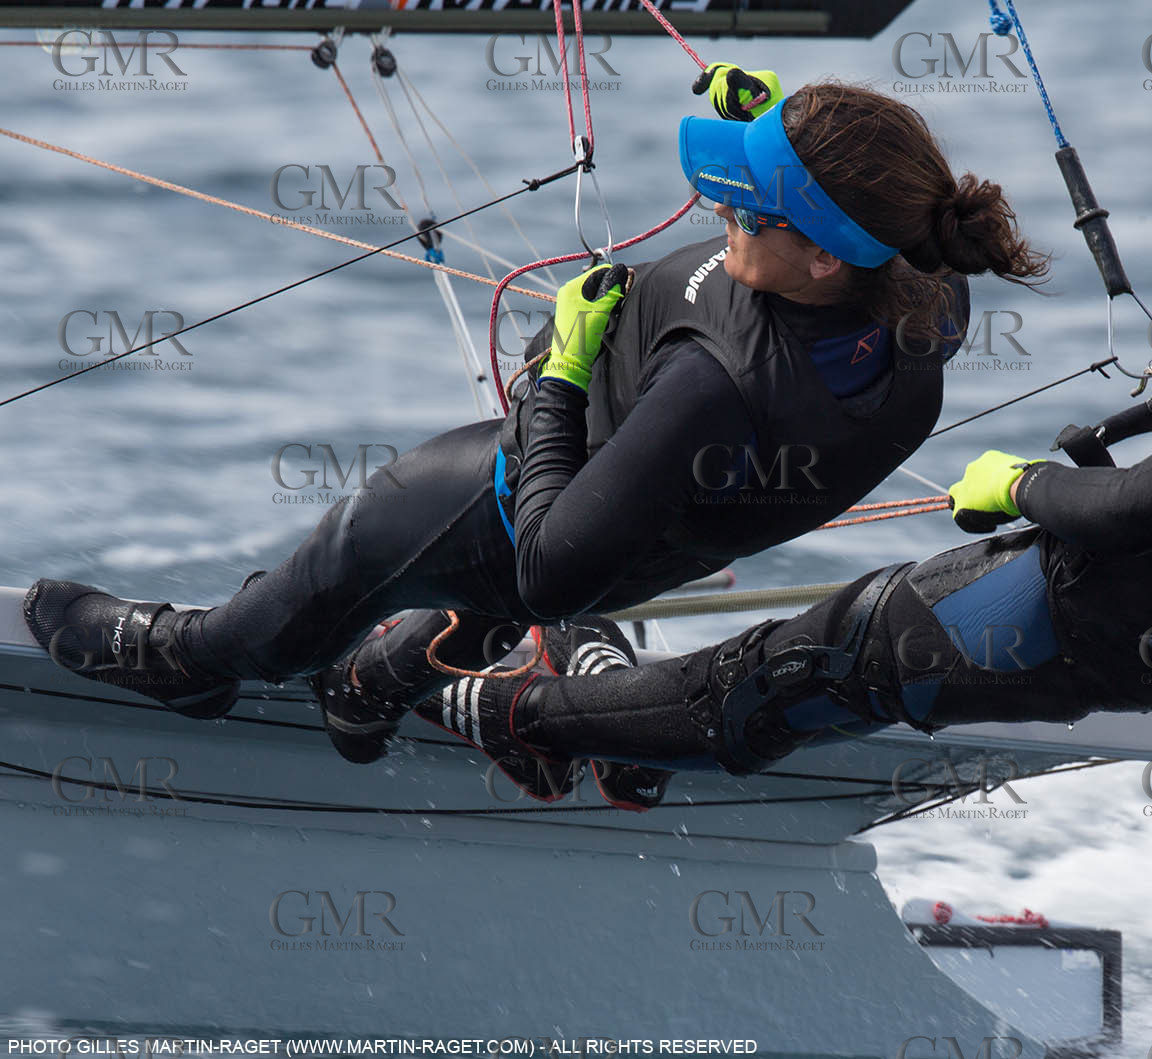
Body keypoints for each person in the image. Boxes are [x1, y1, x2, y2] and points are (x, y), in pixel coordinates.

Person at [415, 91, 1152, 805]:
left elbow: (1132, 508)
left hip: (1084, 602)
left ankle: (507, 712)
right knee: (840, 681)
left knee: (792, 669)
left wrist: (1019, 481)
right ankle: (638, 749)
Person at [22, 73, 1050, 778]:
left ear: (823, 255)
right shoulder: (924, 285)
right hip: (659, 521)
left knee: (349, 550)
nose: (722, 211)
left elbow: (549, 573)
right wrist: (774, 118)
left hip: (529, 499)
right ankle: (375, 685)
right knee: (556, 568)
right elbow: (865, 188)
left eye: (746, 209)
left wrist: (555, 376)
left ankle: (191, 662)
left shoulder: (715, 386)